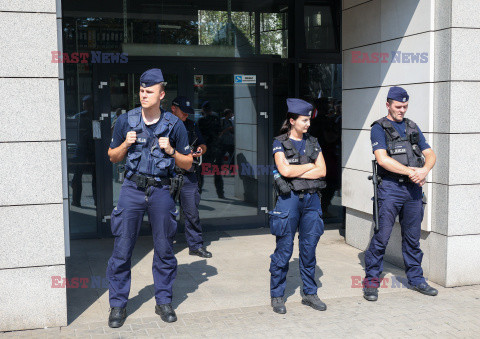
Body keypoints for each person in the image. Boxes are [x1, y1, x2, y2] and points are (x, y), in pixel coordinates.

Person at [106, 69, 193, 327]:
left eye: (149, 91)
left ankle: (163, 300)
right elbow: (112, 156)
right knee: (122, 249)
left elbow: (188, 163)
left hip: (162, 191)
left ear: (161, 94)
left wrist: (171, 150)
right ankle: (118, 305)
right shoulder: (126, 121)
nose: (144, 95)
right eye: (142, 91)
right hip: (132, 189)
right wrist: (125, 145)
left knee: (165, 248)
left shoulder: (175, 124)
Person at [363, 86, 437, 301]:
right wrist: (411, 172)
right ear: (388, 105)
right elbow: (382, 159)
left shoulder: (412, 126)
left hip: (413, 190)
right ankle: (371, 283)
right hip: (390, 188)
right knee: (382, 237)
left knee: (413, 238)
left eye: (405, 106)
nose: (402, 110)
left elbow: (429, 153)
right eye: (398, 106)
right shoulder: (379, 128)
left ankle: (416, 280)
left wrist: (424, 170)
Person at [269, 98, 327, 314]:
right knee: (284, 250)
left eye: (309, 120)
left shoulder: (313, 141)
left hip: (312, 200)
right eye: (304, 120)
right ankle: (277, 296)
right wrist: (309, 165)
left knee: (309, 249)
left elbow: (322, 171)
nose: (308, 124)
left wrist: (299, 169)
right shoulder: (279, 142)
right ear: (292, 120)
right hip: (289, 200)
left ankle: (310, 294)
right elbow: (284, 171)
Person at [170, 96, 212, 258]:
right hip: (168, 175)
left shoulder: (191, 125)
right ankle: (165, 246)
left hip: (188, 174)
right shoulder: (162, 125)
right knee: (165, 213)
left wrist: (200, 149)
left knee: (192, 212)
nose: (186, 115)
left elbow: (203, 143)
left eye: (189, 112)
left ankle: (195, 245)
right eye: (183, 111)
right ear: (174, 108)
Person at [71, 95, 97, 207]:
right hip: (89, 149)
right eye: (84, 103)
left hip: (84, 149)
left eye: (85, 103)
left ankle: (76, 201)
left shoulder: (79, 117)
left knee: (78, 177)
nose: (84, 105)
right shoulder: (94, 116)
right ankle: (96, 201)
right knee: (92, 177)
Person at [197, 101, 221, 195]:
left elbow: (198, 135)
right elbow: (219, 132)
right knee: (217, 172)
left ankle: (199, 191)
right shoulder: (216, 119)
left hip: (204, 148)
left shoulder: (201, 120)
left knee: (201, 172)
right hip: (215, 147)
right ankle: (220, 192)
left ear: (203, 110)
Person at [214, 108, 235, 198]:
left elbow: (232, 131)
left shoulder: (230, 121)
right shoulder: (221, 121)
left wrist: (232, 129)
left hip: (230, 142)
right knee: (220, 158)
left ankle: (231, 169)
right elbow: (220, 132)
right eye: (230, 113)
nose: (231, 115)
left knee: (232, 156)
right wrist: (227, 129)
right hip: (223, 142)